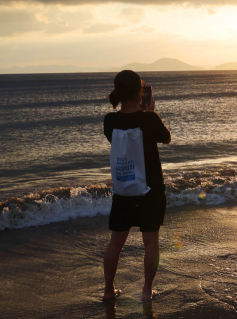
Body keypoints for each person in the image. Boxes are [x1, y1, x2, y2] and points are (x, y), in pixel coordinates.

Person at [102, 70, 171, 301]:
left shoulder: (110, 121)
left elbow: (117, 138)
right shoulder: (148, 119)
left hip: (124, 188)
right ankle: (145, 291)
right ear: (141, 93)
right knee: (150, 241)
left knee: (115, 242)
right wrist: (150, 113)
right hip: (150, 188)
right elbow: (166, 137)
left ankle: (108, 291)